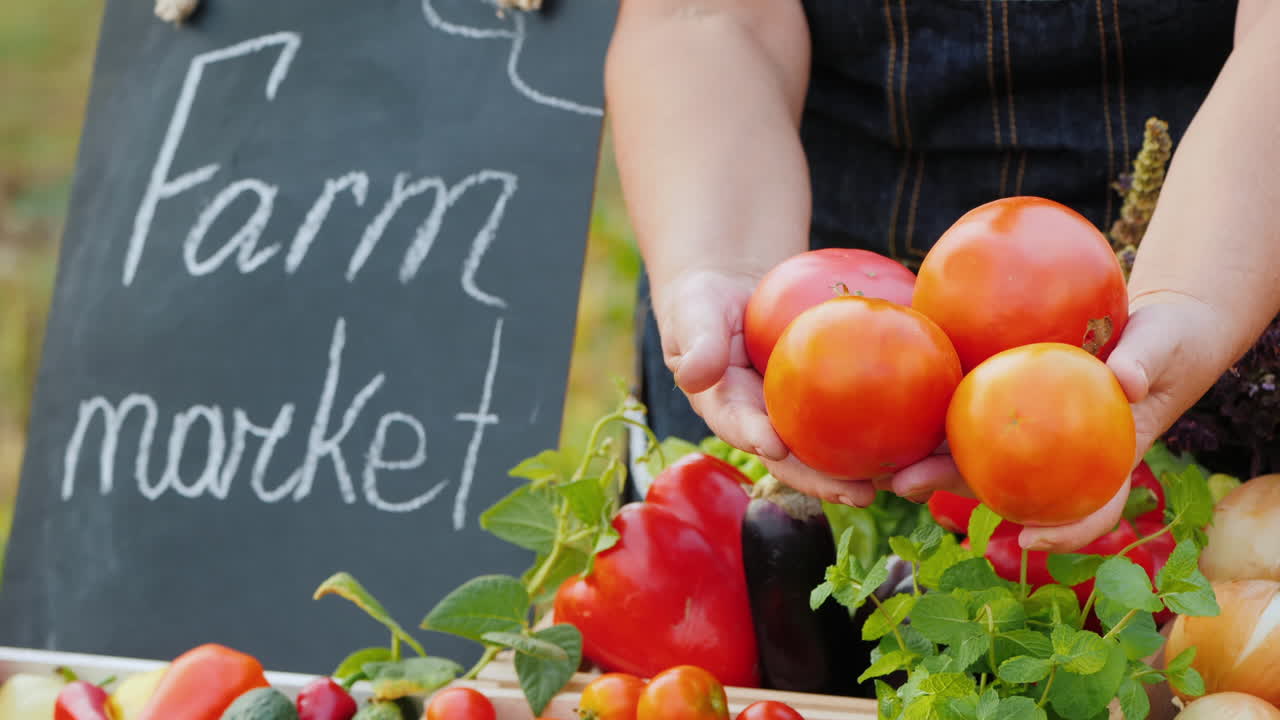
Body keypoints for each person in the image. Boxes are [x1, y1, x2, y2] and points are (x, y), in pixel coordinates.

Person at [609, 0, 1280, 554]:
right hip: (788, 239)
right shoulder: (798, 327)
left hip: (1238, 230)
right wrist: (722, 260)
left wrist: (1197, 293)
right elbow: (700, 17)